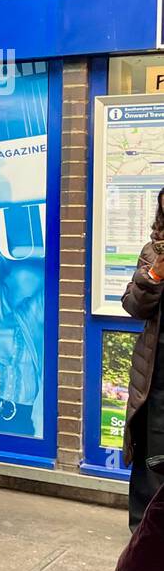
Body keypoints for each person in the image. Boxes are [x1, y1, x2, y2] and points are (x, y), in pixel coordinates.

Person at [120, 189, 164, 530]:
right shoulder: (153, 253)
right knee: (152, 453)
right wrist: (154, 276)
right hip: (157, 372)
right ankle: (143, 536)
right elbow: (134, 307)